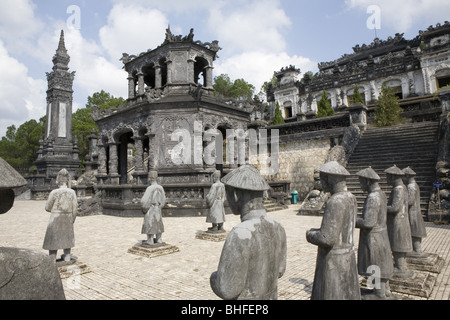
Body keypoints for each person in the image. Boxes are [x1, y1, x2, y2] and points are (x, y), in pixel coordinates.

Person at [210, 165, 287, 300]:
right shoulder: (278, 226)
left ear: (234, 195)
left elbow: (228, 289)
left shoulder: (240, 234)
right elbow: (280, 270)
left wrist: (214, 278)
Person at [306, 161, 360, 300]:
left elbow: (327, 238)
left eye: (322, 178)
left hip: (333, 260)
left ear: (330, 179)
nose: (320, 183)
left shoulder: (335, 201)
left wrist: (310, 234)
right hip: (348, 254)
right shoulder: (351, 197)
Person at [355, 167, 394, 300]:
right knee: (380, 262)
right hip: (381, 234)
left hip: (374, 237)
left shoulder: (373, 197)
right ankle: (385, 290)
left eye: (361, 182)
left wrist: (352, 220)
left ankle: (379, 294)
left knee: (375, 262)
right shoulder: (381, 193)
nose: (360, 185)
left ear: (367, 181)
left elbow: (368, 222)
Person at [43, 168, 78, 262]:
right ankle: (67, 257)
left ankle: (52, 259)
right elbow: (75, 209)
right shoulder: (72, 192)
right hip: (68, 217)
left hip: (55, 218)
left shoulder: (54, 192)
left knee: (53, 241)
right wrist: (72, 219)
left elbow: (47, 207)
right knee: (67, 239)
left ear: (58, 180)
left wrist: (56, 211)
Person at [385, 165, 413, 278]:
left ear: (393, 177)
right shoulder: (403, 188)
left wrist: (382, 207)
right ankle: (400, 265)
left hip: (398, 221)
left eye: (388, 176)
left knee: (397, 244)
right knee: (398, 243)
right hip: (401, 219)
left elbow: (394, 207)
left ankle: (400, 267)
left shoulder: (398, 189)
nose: (386, 179)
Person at [402, 167, 428, 257]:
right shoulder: (414, 185)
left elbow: (410, 201)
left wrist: (401, 202)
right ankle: (416, 249)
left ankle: (417, 250)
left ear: (407, 176)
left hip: (413, 212)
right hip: (415, 211)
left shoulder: (411, 186)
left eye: (403, 176)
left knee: (414, 230)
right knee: (415, 230)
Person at [141, 170, 166, 245]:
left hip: (151, 208)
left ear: (150, 178)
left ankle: (150, 239)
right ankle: (159, 239)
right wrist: (160, 206)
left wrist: (144, 208)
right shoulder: (160, 187)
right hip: (158, 208)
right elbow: (163, 199)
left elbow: (144, 201)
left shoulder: (150, 188)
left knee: (150, 223)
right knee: (158, 223)